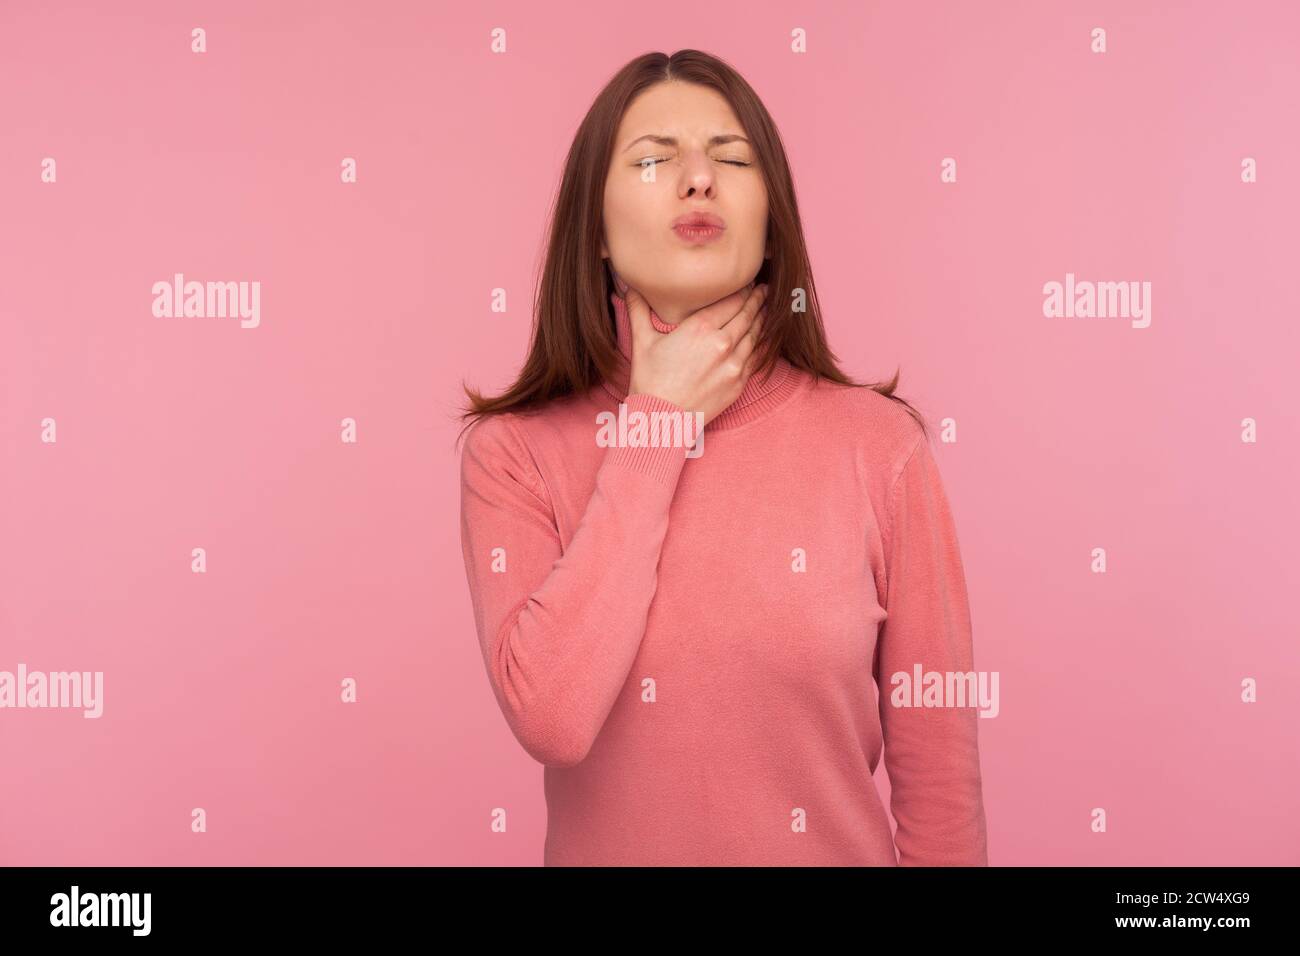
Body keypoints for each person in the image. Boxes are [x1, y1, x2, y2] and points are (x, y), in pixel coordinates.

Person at [456, 49, 989, 866]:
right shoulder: (513, 455)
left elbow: (942, 792)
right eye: (651, 159)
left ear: (773, 224)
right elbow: (554, 718)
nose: (698, 179)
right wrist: (657, 425)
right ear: (593, 232)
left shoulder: (882, 449)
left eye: (732, 158)